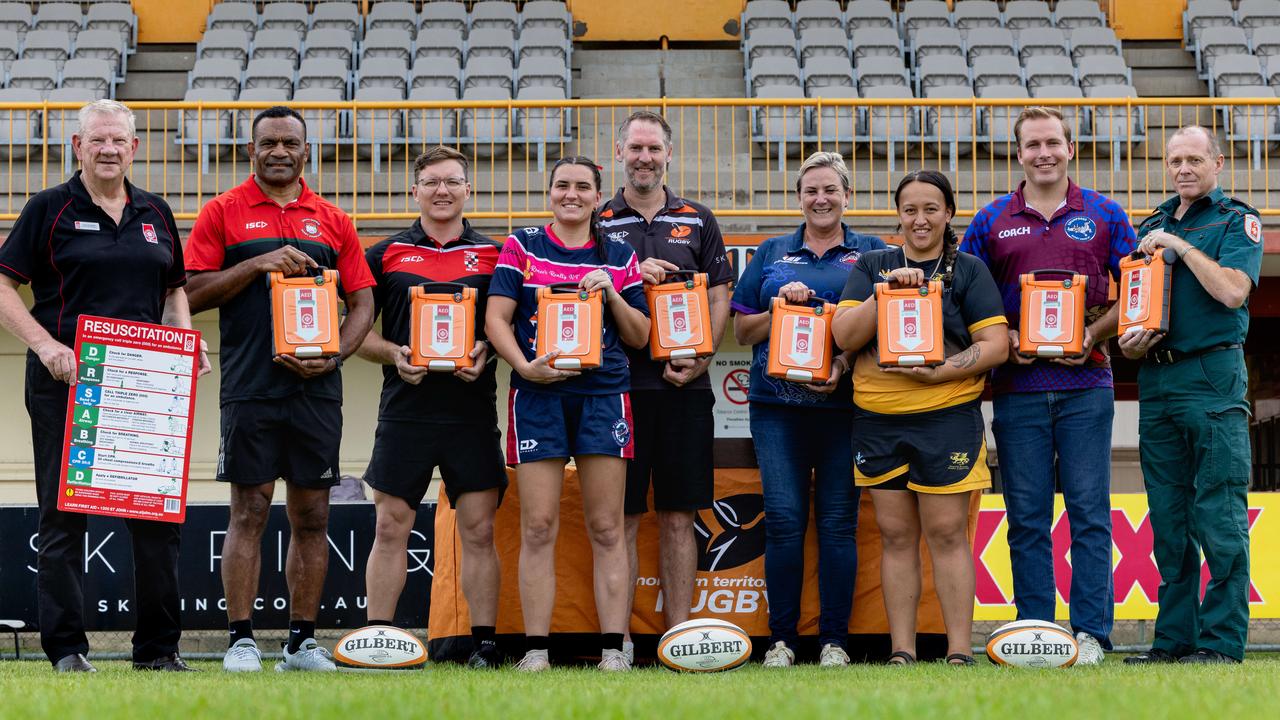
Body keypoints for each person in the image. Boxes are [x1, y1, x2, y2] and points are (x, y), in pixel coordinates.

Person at [0, 100, 208, 672]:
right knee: (64, 519)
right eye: (98, 141)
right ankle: (67, 650)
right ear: (77, 146)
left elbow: (174, 290)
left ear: (134, 147)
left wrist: (188, 342)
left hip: (144, 383)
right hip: (67, 382)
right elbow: (2, 286)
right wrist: (45, 346)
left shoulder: (157, 212)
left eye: (118, 140)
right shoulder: (49, 208)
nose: (109, 149)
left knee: (156, 521)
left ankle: (158, 651)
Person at [185, 106, 376, 672]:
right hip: (249, 385)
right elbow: (191, 292)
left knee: (313, 513)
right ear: (251, 151)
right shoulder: (221, 212)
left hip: (316, 390)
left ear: (305, 152)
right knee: (248, 510)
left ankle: (301, 641)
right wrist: (259, 264)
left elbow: (363, 300)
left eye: (289, 142)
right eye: (267, 142)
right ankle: (241, 638)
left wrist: (337, 352)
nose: (278, 151)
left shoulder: (333, 220)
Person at [959, 107, 1136, 664]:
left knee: (1089, 510)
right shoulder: (990, 220)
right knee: (1026, 515)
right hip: (1016, 389)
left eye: (1053, 143)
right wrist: (1003, 336)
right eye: (1032, 144)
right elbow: (964, 295)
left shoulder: (1107, 213)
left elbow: (1136, 291)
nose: (1044, 153)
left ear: (1069, 148)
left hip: (1088, 384)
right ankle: (1036, 630)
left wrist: (1092, 332)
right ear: (1018, 154)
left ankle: (1091, 635)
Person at [831, 170, 1008, 665]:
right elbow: (843, 336)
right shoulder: (872, 264)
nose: (920, 219)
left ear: (949, 213)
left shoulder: (968, 269)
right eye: (910, 209)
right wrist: (883, 291)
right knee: (896, 536)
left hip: (946, 416)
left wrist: (941, 374)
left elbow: (996, 345)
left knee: (949, 533)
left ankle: (957, 650)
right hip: (878, 418)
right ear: (898, 215)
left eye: (931, 208)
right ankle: (902, 650)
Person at [486, 157, 651, 672]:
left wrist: (611, 295)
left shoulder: (618, 255)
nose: (572, 194)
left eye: (583, 187)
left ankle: (612, 651)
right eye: (562, 185)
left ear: (599, 197)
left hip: (604, 395)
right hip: (538, 395)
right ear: (550, 192)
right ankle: (536, 651)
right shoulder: (522, 245)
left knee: (606, 526)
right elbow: (496, 318)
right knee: (538, 526)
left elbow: (641, 335)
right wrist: (523, 367)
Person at [729, 152, 885, 668]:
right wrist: (778, 309)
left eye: (831, 190)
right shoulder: (773, 251)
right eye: (811, 191)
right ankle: (781, 641)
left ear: (847, 196)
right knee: (785, 521)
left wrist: (841, 359)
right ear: (798, 197)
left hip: (846, 407)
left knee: (839, 523)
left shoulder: (871, 252)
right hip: (777, 408)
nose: (821, 199)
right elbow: (740, 330)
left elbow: (884, 327)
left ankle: (835, 641)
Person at [357, 146, 507, 669]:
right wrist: (392, 352)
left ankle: (484, 644)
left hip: (471, 410)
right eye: (432, 182)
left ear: (469, 190)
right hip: (405, 409)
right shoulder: (385, 252)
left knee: (479, 531)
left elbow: (506, 327)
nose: (443, 191)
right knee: (391, 525)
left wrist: (487, 352)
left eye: (453, 182)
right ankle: (379, 637)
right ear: (413, 191)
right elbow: (356, 330)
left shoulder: (495, 254)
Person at [1120, 125, 1261, 665]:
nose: (1183, 168)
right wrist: (1131, 344)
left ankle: (1221, 644)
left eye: (1194, 159)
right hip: (1156, 378)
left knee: (1219, 514)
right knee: (1169, 520)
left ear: (1217, 164)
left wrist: (1180, 246)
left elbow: (1231, 291)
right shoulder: (1150, 225)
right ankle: (1173, 640)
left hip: (1212, 375)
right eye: (1175, 159)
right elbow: (1138, 311)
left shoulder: (1234, 221)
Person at [602, 111, 733, 659]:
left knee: (680, 516)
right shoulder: (597, 218)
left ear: (669, 154)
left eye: (653, 148)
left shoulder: (698, 219)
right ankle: (624, 641)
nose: (644, 158)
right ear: (619, 152)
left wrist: (703, 357)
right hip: (616, 390)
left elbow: (720, 294)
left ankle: (679, 637)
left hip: (684, 388)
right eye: (635, 148)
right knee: (624, 519)